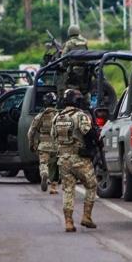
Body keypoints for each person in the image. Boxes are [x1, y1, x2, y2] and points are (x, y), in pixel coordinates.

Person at [50, 88, 98, 231]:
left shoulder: (57, 117)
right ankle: (86, 216)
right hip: (80, 159)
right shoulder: (80, 116)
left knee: (68, 190)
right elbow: (87, 132)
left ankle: (68, 222)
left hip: (63, 160)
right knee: (91, 185)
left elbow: (54, 137)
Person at [27, 92, 59, 194]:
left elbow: (30, 132)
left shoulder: (40, 116)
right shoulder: (60, 116)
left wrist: (31, 144)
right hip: (57, 145)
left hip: (44, 145)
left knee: (43, 163)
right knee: (55, 166)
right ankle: (53, 187)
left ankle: (44, 173)